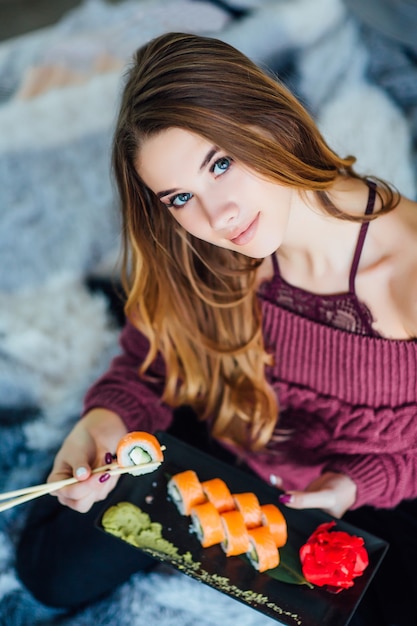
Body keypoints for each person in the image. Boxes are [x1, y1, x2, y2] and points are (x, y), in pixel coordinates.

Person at [16, 32, 417, 625]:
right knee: (49, 569)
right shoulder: (203, 245)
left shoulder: (405, 273)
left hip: (367, 492)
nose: (217, 216)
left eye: (221, 163)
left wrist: (351, 487)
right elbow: (153, 357)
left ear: (271, 120)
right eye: (180, 196)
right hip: (226, 436)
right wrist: (106, 417)